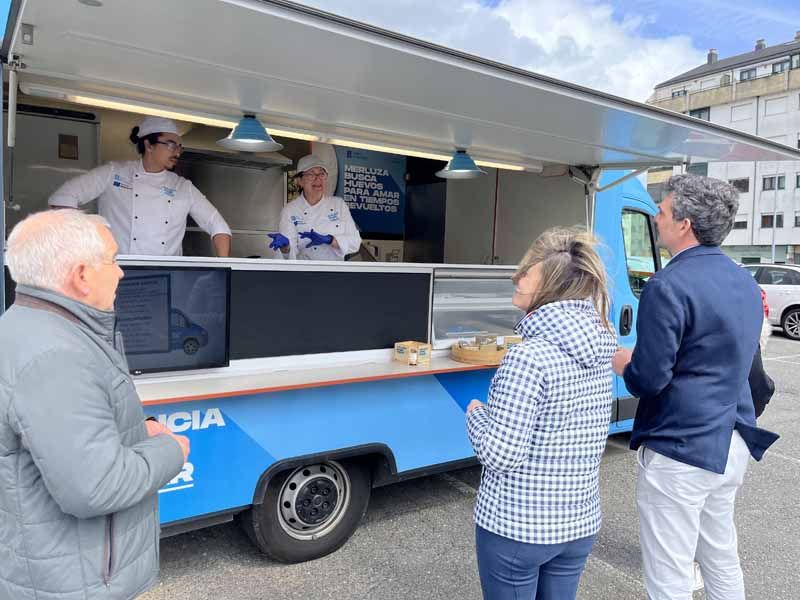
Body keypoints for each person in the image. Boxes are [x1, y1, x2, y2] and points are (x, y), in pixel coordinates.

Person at [0, 210, 190, 599]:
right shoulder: (55, 356)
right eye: (113, 259)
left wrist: (140, 431)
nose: (120, 272)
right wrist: (172, 449)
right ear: (82, 275)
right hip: (76, 584)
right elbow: (96, 487)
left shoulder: (32, 326)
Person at [611, 174, 779, 600]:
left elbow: (649, 378)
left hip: (681, 446)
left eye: (663, 211)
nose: (656, 216)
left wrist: (623, 361)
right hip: (734, 437)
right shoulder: (744, 280)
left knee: (669, 574)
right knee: (721, 558)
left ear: (684, 223)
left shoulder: (667, 285)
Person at [466, 228, 617, 600]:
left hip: (517, 528)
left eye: (525, 272)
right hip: (578, 524)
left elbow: (501, 453)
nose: (515, 278)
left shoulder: (527, 357)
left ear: (550, 282)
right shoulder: (602, 347)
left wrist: (475, 415)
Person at [49, 116, 232, 257]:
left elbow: (218, 226)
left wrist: (223, 268)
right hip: (117, 273)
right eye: (170, 145)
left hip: (166, 276)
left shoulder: (183, 187)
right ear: (148, 145)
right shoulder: (113, 174)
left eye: (179, 147)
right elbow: (63, 198)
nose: (177, 152)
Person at [268, 154, 361, 260]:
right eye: (311, 174)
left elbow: (355, 242)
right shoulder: (290, 210)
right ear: (300, 181)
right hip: (304, 272)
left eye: (321, 174)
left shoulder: (339, 205)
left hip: (334, 272)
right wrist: (286, 247)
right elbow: (288, 255)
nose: (318, 179)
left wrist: (330, 239)